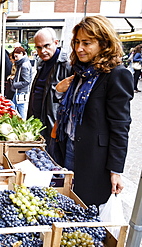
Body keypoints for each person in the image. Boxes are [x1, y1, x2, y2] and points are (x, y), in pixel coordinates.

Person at [55, 15, 133, 207]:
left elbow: (120, 126)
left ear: (104, 43)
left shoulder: (116, 75)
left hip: (93, 158)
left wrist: (115, 170)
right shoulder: (79, 72)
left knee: (85, 206)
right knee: (65, 202)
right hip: (69, 147)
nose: (79, 48)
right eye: (77, 42)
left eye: (87, 43)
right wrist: (58, 91)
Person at [27, 27, 72, 163]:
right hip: (37, 124)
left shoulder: (67, 66)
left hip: (53, 128)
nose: (42, 51)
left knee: (51, 163)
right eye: (39, 48)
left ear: (56, 43)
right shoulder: (42, 64)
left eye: (46, 46)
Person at [10, 47, 32, 119]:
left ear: (22, 54)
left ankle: (22, 124)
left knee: (19, 108)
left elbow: (27, 81)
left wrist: (15, 84)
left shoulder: (24, 65)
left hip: (20, 91)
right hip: (20, 90)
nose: (15, 58)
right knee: (16, 107)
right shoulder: (24, 63)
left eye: (16, 56)